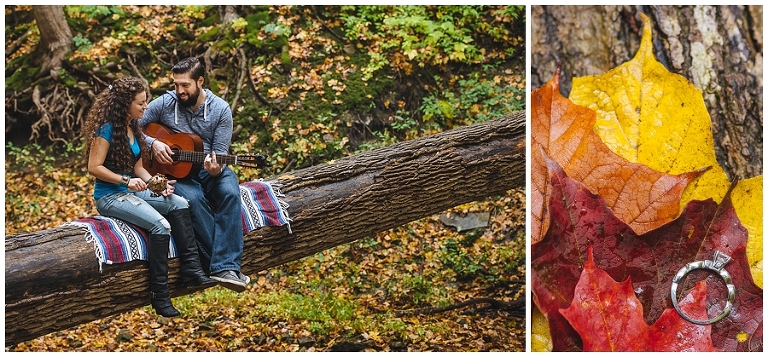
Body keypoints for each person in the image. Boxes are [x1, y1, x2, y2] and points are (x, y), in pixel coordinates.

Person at [83, 76, 217, 318]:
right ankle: (159, 294)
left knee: (179, 203)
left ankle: (192, 270)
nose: (146, 107)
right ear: (125, 104)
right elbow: (94, 167)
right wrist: (124, 181)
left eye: (146, 102)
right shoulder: (105, 130)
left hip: (132, 189)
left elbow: (138, 169)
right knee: (160, 225)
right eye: (141, 103)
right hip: (111, 196)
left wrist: (157, 185)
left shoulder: (134, 126)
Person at [139, 57, 250, 292]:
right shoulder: (165, 103)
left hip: (209, 168)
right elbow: (134, 127)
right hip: (178, 174)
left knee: (230, 193)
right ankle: (224, 268)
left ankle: (223, 267)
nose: (179, 90)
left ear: (200, 81)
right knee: (195, 200)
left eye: (185, 85)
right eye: (176, 84)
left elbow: (219, 155)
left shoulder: (220, 110)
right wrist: (153, 143)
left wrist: (215, 168)